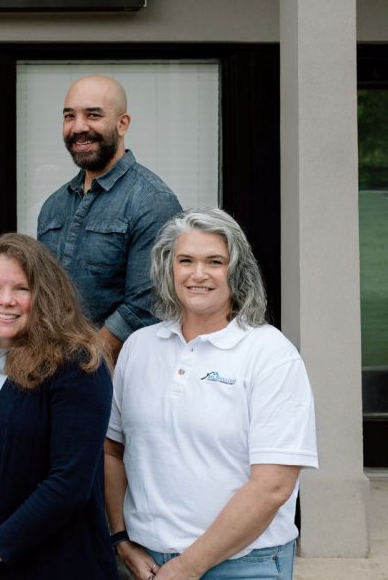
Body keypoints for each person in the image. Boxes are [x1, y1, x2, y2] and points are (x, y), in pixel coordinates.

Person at [104, 209, 318, 580]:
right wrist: (121, 539)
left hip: (244, 565)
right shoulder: (139, 348)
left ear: (236, 272)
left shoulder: (271, 354)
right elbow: (112, 450)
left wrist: (187, 567)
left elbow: (272, 487)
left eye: (214, 262)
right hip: (145, 563)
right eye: (185, 260)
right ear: (167, 269)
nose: (198, 274)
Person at [0, 233, 116, 580]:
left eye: (22, 289)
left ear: (44, 296)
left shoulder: (77, 365)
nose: (6, 300)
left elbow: (68, 484)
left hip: (55, 569)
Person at [36, 74, 181, 360]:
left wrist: (83, 364)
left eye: (93, 115)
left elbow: (146, 304)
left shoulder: (152, 200)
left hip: (116, 377)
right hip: (52, 368)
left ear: (122, 123)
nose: (79, 127)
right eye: (69, 116)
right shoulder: (53, 206)